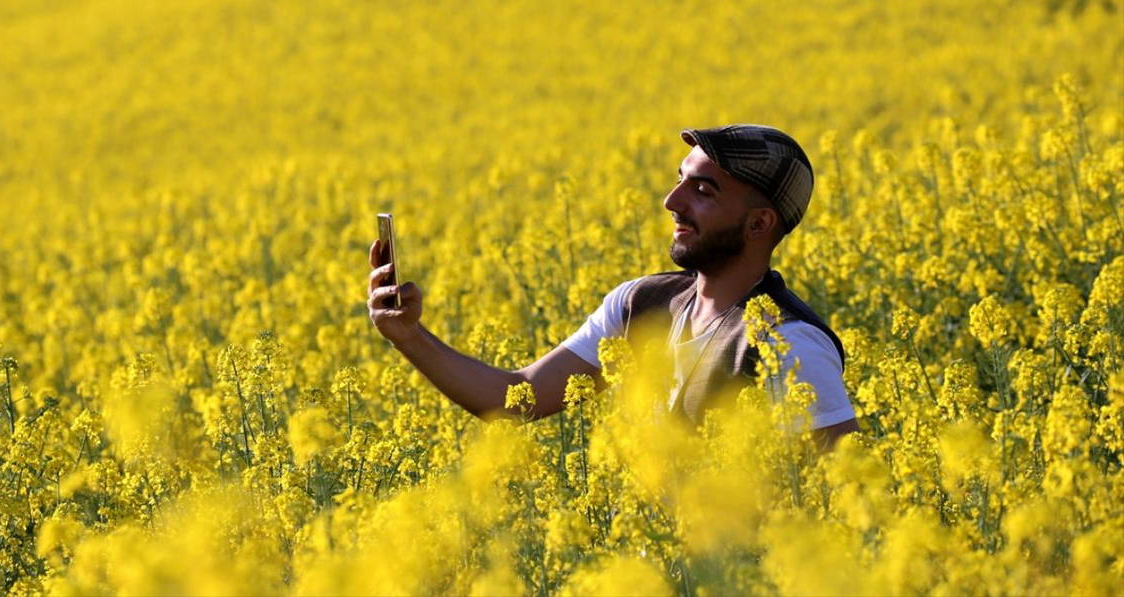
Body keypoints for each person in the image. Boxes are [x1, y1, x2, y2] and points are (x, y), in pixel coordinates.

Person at [366, 124, 859, 451]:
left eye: (703, 191)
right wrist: (409, 335)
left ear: (759, 225)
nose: (672, 201)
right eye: (680, 180)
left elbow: (842, 502)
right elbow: (517, 399)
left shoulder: (789, 345)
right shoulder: (639, 305)